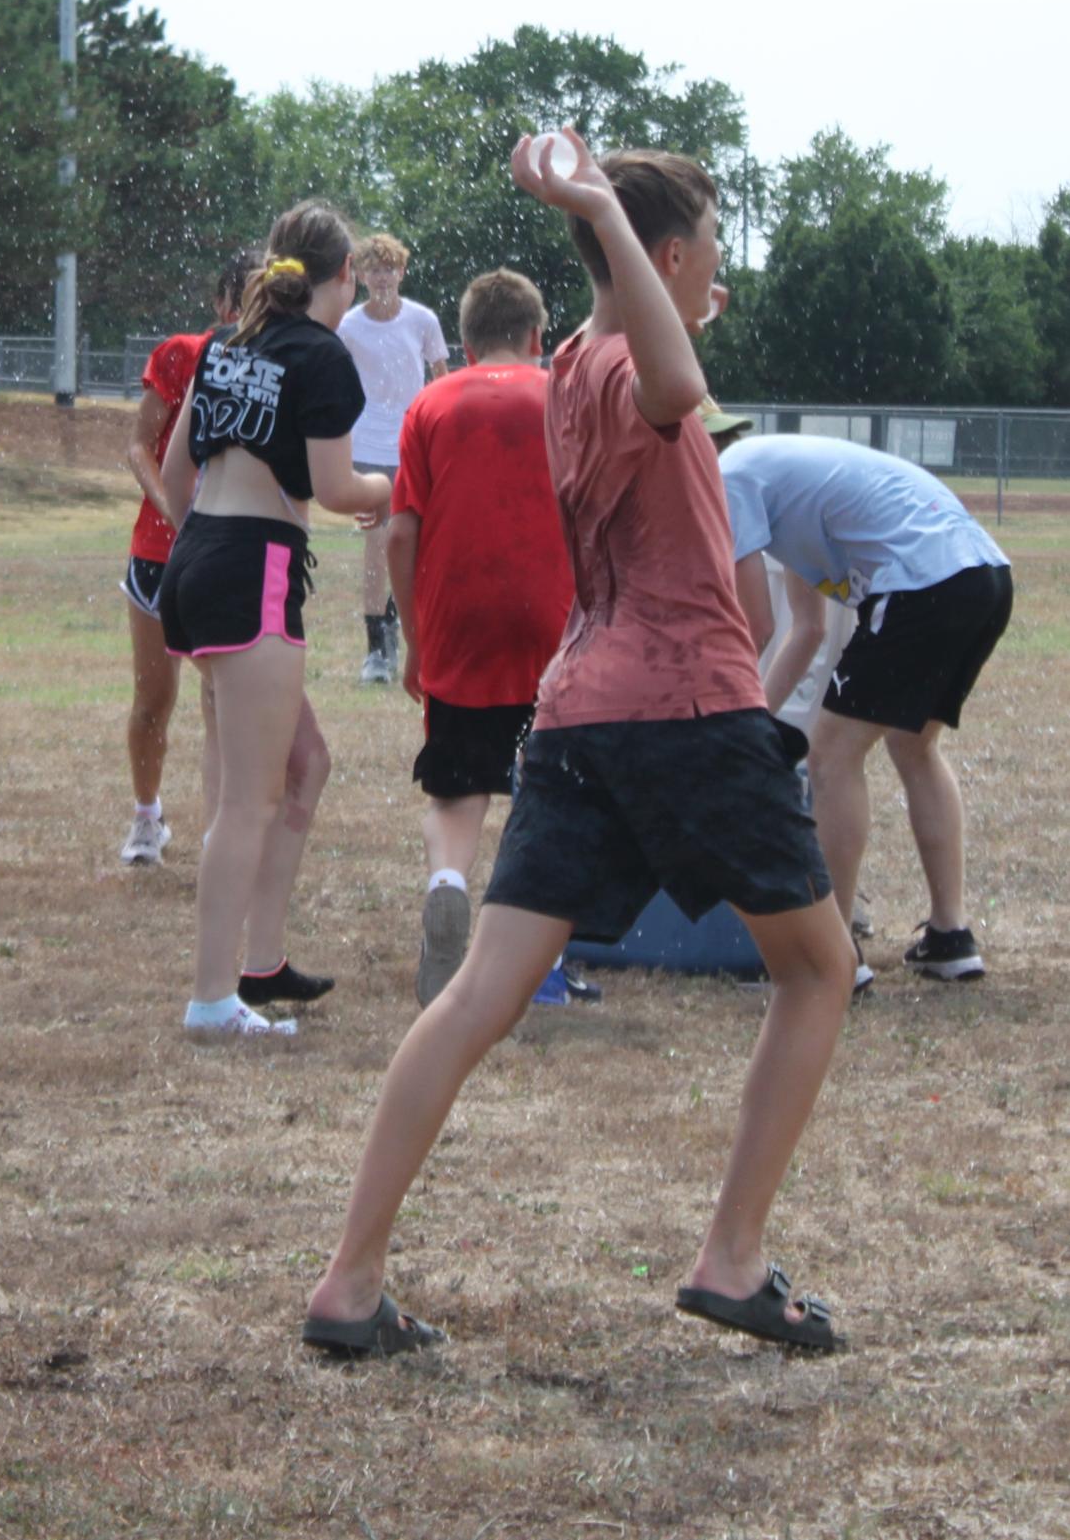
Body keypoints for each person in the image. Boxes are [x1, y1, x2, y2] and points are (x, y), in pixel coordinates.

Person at [304, 131, 855, 1361]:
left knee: (477, 995)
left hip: (576, 711)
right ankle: (731, 1258)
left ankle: (348, 1281)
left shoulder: (567, 358)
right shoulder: (623, 366)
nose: (721, 278)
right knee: (818, 971)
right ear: (662, 257)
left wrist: (604, 215)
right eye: (707, 254)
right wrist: (605, 207)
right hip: (683, 708)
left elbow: (663, 369)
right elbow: (672, 384)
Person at [158, 201, 393, 1039]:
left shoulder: (226, 343)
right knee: (247, 800)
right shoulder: (322, 355)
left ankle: (258, 964)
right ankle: (213, 999)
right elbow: (337, 490)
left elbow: (177, 479)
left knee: (303, 765)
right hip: (252, 565)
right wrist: (396, 490)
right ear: (344, 277)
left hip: (196, 562)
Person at [719, 434, 1013, 983]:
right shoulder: (778, 485)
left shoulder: (728, 478)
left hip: (926, 581)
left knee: (830, 756)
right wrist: (755, 723)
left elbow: (754, 626)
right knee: (913, 745)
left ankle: (830, 955)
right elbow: (804, 631)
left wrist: (725, 724)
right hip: (984, 576)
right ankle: (951, 937)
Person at [387, 267, 589, 1008]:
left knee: (456, 787)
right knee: (549, 792)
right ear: (537, 337)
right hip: (555, 623)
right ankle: (540, 968)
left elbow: (400, 534)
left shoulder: (430, 404)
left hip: (459, 622)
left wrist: (415, 638)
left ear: (465, 344)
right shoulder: (564, 399)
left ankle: (447, 885)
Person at [118, 249, 258, 867]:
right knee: (154, 699)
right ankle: (147, 818)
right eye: (249, 301)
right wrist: (176, 513)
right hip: (160, 553)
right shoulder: (183, 354)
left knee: (222, 701)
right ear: (224, 306)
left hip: (227, 553)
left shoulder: (274, 367)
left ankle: (219, 832)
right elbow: (140, 446)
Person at [338, 234, 448, 682]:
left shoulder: (422, 320)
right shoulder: (348, 326)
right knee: (378, 542)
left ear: (402, 272)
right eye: (373, 269)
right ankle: (377, 651)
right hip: (367, 445)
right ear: (360, 276)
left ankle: (409, 632)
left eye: (389, 268)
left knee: (416, 542)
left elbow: (441, 378)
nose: (382, 276)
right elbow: (336, 382)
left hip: (413, 441)